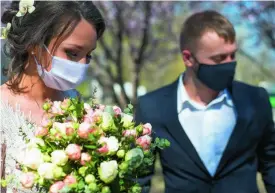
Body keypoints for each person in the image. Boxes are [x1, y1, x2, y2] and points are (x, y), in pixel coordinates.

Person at [135, 10, 275, 193]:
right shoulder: (152, 108)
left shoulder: (255, 100)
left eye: (232, 55)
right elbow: (139, 179)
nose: (230, 63)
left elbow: (271, 163)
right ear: (188, 58)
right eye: (219, 58)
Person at [0, 1, 105, 192]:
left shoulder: (80, 107)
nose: (82, 64)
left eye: (88, 55)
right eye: (73, 53)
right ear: (34, 44)